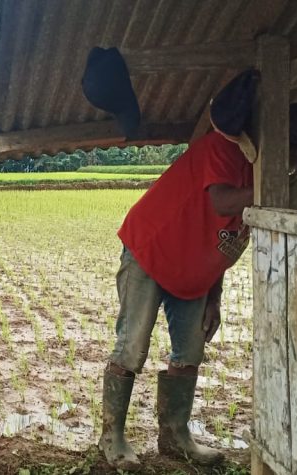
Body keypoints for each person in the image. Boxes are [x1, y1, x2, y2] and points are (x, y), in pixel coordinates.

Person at [97, 70, 259, 469]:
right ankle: (112, 436)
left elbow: (226, 238)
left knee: (190, 350)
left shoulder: (256, 172)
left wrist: (215, 296)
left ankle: (175, 436)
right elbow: (223, 203)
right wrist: (276, 189)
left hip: (193, 271)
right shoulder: (221, 148)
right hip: (151, 251)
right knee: (132, 345)